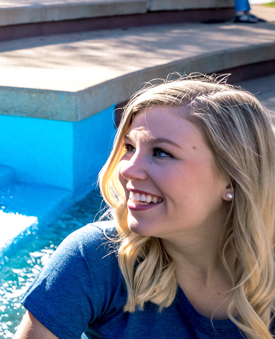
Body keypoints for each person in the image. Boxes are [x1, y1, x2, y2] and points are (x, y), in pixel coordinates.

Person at [15, 76, 275, 339]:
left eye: (161, 152)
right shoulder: (96, 257)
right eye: (129, 147)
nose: (127, 168)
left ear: (233, 178)